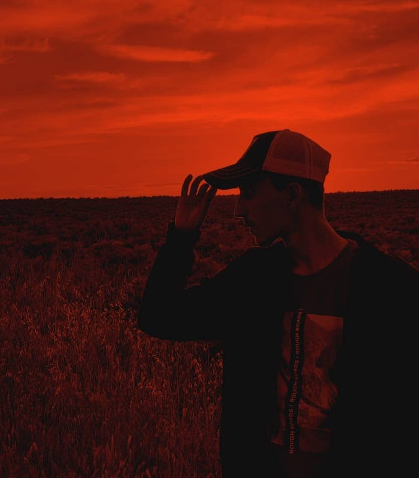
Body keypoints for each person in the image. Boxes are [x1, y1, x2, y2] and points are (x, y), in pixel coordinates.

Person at [137, 129, 419, 478]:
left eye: (249, 192)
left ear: (292, 195)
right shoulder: (254, 280)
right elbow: (159, 316)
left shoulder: (388, 288)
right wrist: (181, 238)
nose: (239, 210)